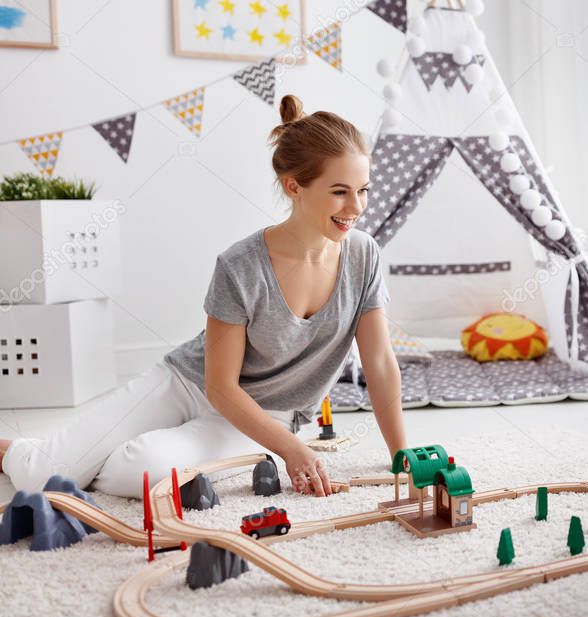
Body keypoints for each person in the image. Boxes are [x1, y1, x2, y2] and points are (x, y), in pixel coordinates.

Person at [0, 94, 408, 499]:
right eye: (340, 191)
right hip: (186, 382)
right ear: (294, 186)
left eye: (363, 189)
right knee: (41, 476)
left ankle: (82, 465)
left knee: (141, 472)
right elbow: (220, 387)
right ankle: (20, 453)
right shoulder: (240, 264)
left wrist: (400, 453)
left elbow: (379, 362)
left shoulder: (363, 255)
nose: (356, 206)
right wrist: (289, 451)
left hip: (264, 416)